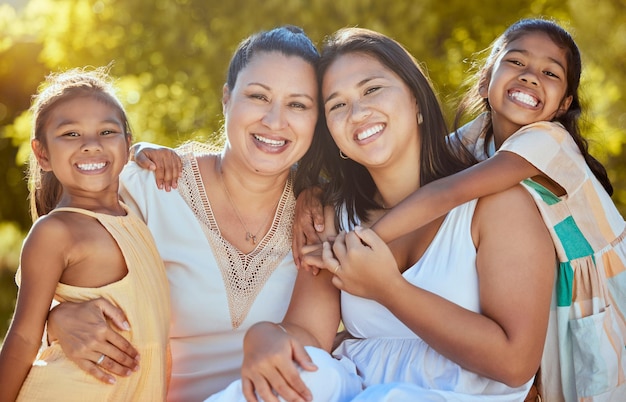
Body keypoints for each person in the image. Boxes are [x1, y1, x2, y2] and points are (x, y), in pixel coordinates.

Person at [206, 27, 556, 402]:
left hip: (463, 394)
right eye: (337, 105)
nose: (357, 113)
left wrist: (389, 290)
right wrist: (265, 337)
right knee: (283, 382)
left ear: (417, 100)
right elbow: (308, 334)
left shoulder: (497, 204)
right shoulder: (334, 213)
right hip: (358, 385)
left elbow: (515, 362)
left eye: (372, 89)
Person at [43, 26, 321, 401]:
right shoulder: (148, 188)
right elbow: (53, 270)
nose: (275, 120)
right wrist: (54, 319)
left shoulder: (318, 219)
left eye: (298, 104)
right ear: (226, 99)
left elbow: (320, 343)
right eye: (258, 96)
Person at [361, 18, 626, 402]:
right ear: (487, 81)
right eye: (517, 62)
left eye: (550, 72)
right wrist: (313, 191)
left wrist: (358, 245)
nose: (531, 77)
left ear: (565, 104)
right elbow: (413, 161)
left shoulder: (548, 139)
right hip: (559, 296)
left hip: (603, 297)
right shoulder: (481, 133)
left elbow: (446, 192)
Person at [0, 67, 171, 401]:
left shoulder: (136, 212)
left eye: (106, 131)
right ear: (42, 154)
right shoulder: (55, 231)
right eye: (71, 134)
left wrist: (144, 152)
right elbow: (22, 338)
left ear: (127, 143)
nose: (91, 145)